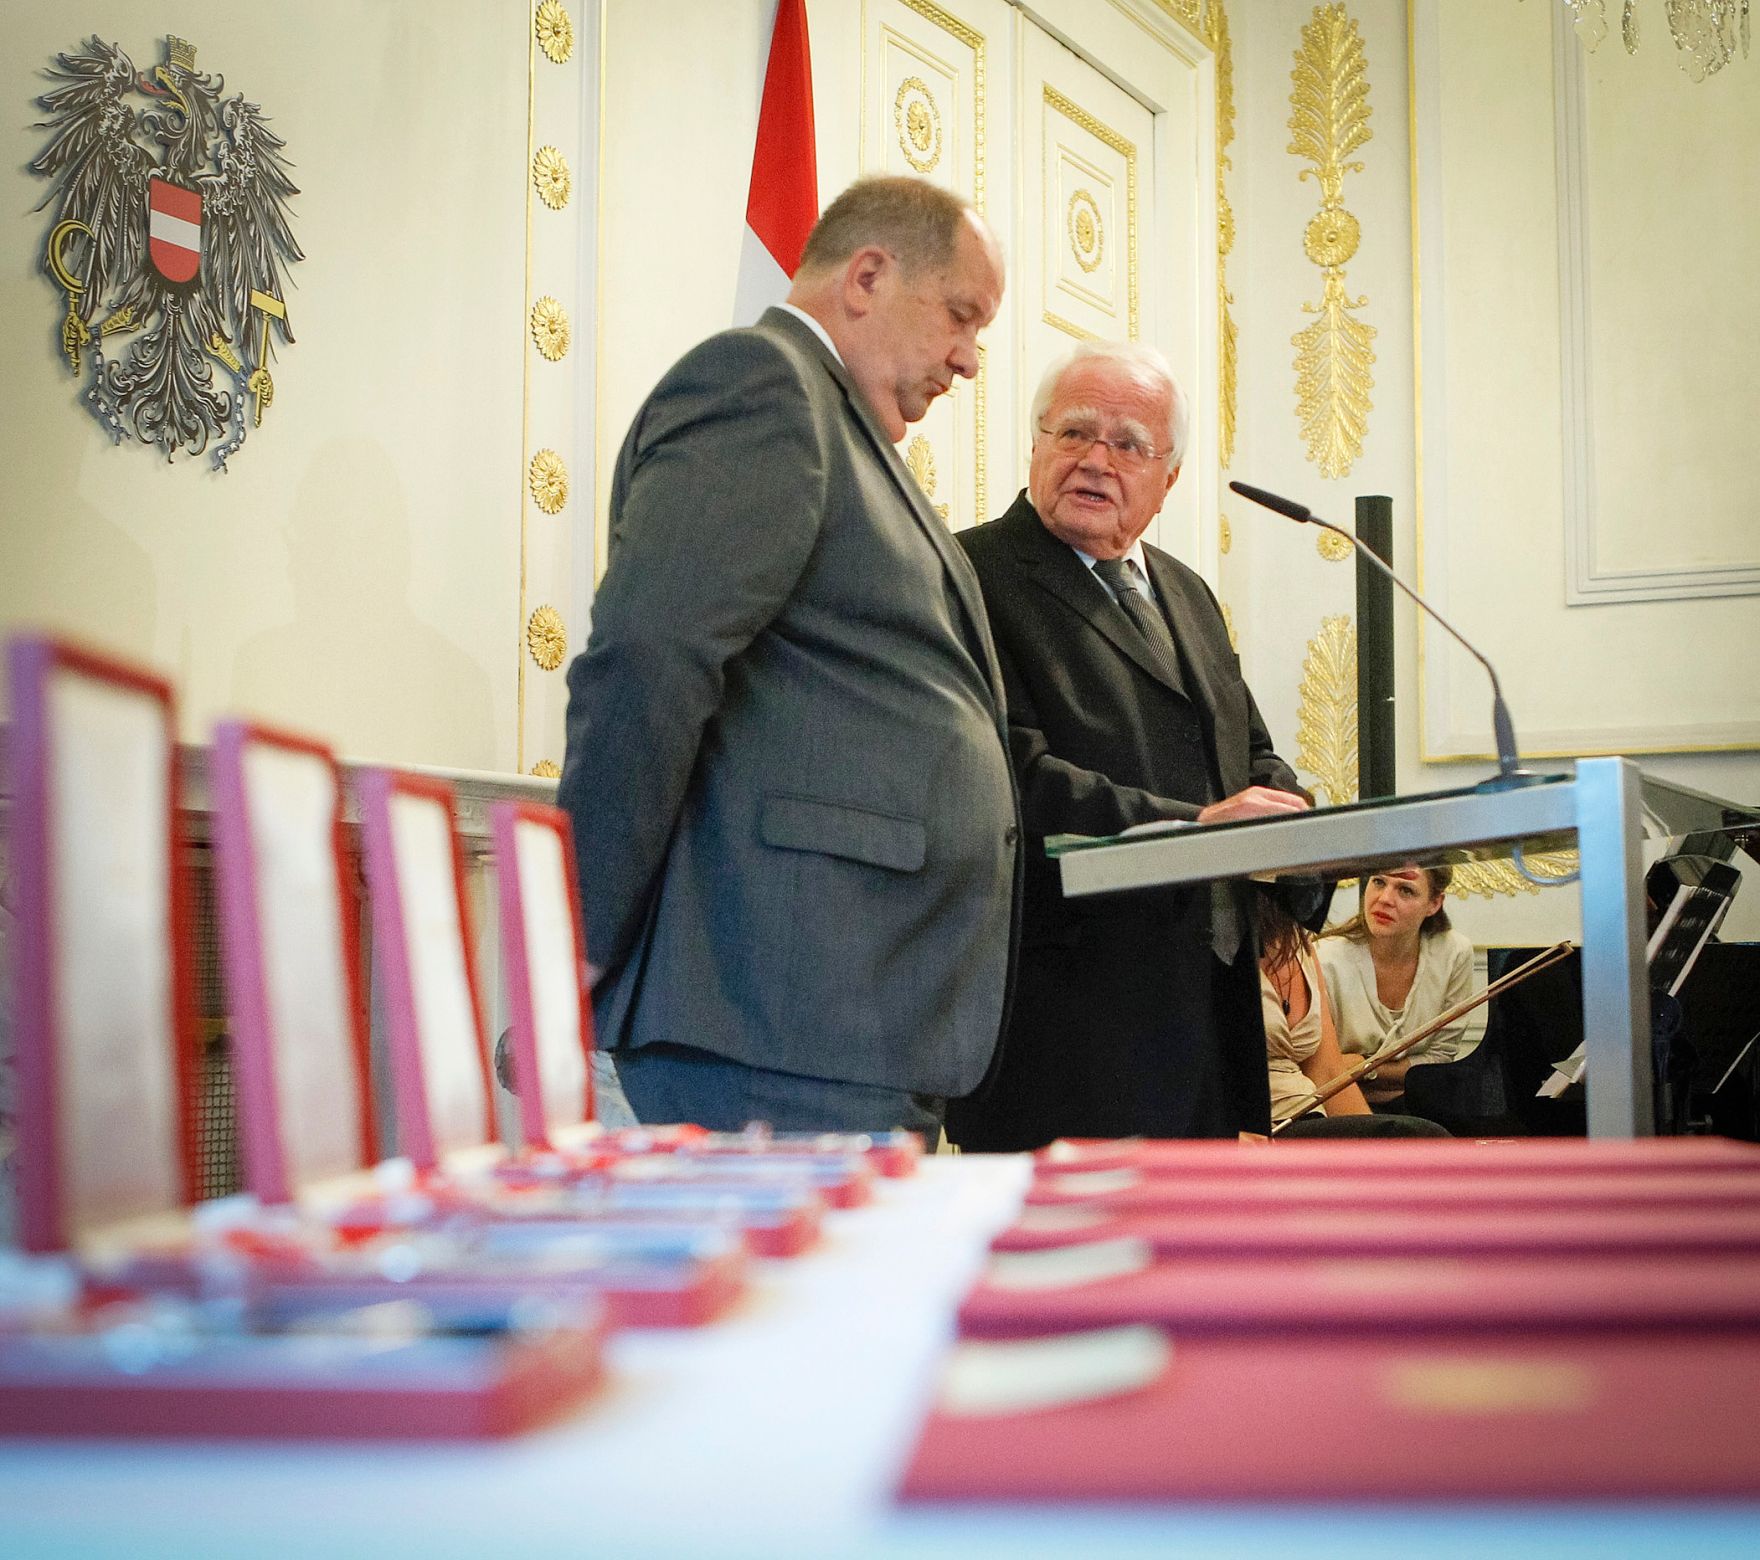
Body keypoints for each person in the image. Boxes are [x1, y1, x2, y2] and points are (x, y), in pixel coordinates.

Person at [557, 176, 1020, 1139]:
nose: (969, 360)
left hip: (845, 1019)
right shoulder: (760, 384)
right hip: (769, 1029)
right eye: (961, 316)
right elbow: (649, 659)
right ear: (867, 276)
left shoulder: (841, 427)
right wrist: (573, 940)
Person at [943, 340, 1309, 1151]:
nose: (1096, 461)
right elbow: (1007, 777)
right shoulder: (967, 573)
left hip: (1204, 1021)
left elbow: (1247, 752)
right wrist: (1195, 828)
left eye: (1129, 444)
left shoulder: (1187, 590)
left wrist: (1301, 827)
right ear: (1037, 443)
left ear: (1169, 477)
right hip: (1063, 1030)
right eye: (1075, 432)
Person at [1259, 896, 1449, 1138]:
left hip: (1309, 1117)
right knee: (1419, 1136)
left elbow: (1327, 1071)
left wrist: (1372, 1151)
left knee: (1419, 1144)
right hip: (1256, 1131)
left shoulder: (1298, 941)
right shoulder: (1220, 941)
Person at [1318, 863, 1476, 1113]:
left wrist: (1364, 1068)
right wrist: (1392, 1073)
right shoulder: (1324, 957)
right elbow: (1323, 1069)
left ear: (1434, 903)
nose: (1385, 899)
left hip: (1419, 1103)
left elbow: (1439, 1060)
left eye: (1405, 890)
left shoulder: (1455, 953)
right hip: (1336, 1105)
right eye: (1379, 882)